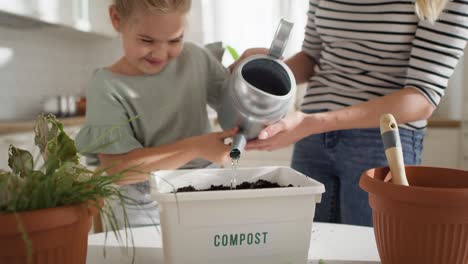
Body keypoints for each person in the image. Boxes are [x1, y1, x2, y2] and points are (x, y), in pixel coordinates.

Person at [236, 0, 468, 226]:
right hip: (313, 138)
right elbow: (311, 58)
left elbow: (422, 97)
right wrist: (252, 75)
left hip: (380, 142)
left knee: (369, 250)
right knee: (308, 246)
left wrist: (312, 123)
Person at [75, 0, 235, 227]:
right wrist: (196, 147)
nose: (161, 53)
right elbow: (117, 169)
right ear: (116, 19)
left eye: (175, 40)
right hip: (144, 203)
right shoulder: (106, 87)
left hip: (207, 188)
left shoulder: (196, 58)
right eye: (147, 40)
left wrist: (251, 71)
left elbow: (234, 105)